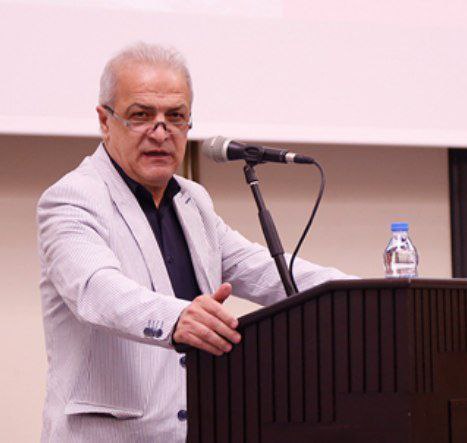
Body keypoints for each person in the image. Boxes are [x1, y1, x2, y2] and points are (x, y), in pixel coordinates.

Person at [37, 42, 347, 442]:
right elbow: (97, 289)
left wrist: (367, 292)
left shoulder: (192, 200)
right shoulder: (73, 198)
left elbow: (264, 269)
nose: (161, 131)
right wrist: (178, 317)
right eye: (141, 115)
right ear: (104, 121)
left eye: (176, 117)